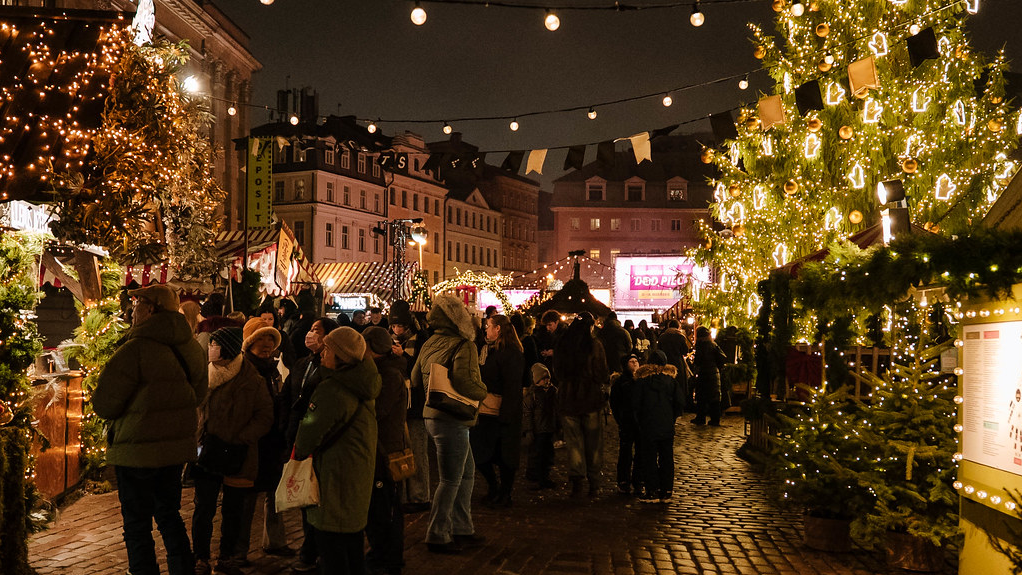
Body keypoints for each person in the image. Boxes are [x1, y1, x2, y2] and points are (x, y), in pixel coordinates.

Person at [92, 284, 208, 575]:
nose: (132, 311)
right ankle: (184, 569)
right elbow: (200, 394)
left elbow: (105, 403)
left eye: (137, 304)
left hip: (136, 452)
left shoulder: (136, 348)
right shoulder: (191, 347)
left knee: (137, 522)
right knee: (169, 514)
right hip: (175, 450)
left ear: (152, 308)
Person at [294, 327, 381, 575]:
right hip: (357, 474)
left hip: (334, 475)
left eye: (328, 349)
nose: (322, 353)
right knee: (352, 545)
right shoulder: (363, 384)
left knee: (331, 547)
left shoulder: (333, 390)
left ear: (341, 356)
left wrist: (301, 442)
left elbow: (308, 436)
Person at [191, 328, 274, 575]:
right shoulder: (203, 375)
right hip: (206, 451)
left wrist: (241, 438)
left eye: (215, 344)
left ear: (226, 348)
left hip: (238, 453)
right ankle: (200, 557)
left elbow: (265, 415)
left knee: (233, 509)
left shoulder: (251, 379)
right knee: (203, 507)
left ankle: (226, 556)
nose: (211, 348)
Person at [410, 294, 488, 554]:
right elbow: (466, 383)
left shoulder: (430, 341)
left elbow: (415, 379)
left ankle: (462, 527)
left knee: (465, 473)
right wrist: (483, 390)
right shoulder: (464, 345)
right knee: (451, 479)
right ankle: (437, 533)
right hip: (453, 417)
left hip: (432, 414)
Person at [279, 317, 339, 574]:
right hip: (295, 432)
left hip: (316, 434)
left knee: (317, 493)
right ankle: (309, 547)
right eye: (311, 330)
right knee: (303, 492)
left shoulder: (331, 368)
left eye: (317, 330)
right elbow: (287, 396)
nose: (311, 334)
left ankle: (316, 550)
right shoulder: (302, 363)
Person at [236, 318, 292, 564]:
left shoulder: (271, 370)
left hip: (272, 440)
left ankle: (275, 541)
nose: (267, 345)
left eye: (270, 340)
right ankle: (239, 550)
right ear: (249, 343)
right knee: (247, 499)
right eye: (261, 340)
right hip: (253, 441)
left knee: (274, 493)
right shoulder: (244, 370)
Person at [362, 327, 408, 575]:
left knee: (385, 506)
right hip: (378, 447)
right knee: (378, 506)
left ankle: (388, 557)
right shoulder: (382, 371)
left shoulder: (389, 375)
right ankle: (382, 553)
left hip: (385, 450)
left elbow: (378, 411)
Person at [552, 312, 609, 498]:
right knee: (593, 441)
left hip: (568, 399)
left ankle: (577, 480)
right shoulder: (594, 345)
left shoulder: (563, 344)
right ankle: (594, 482)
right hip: (590, 398)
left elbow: (558, 372)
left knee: (574, 442)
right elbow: (601, 372)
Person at [471, 314, 525, 508]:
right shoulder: (487, 349)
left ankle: (505, 493)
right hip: (486, 411)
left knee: (505, 457)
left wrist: (506, 414)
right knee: (480, 452)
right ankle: (494, 487)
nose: (486, 329)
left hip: (503, 411)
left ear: (498, 329)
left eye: (489, 326)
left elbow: (512, 386)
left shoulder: (510, 353)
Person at [390, 301, 432, 512]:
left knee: (417, 448)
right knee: (399, 450)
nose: (397, 330)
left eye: (400, 326)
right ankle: (403, 496)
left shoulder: (422, 339)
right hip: (396, 403)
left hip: (416, 403)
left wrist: (403, 356)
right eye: (394, 326)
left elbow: (421, 369)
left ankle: (420, 496)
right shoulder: (388, 340)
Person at [632, 351, 684, 502]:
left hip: (648, 425)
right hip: (666, 425)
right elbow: (679, 402)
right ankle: (666, 489)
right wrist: (672, 417)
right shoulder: (671, 382)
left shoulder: (642, 382)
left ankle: (651, 490)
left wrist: (640, 421)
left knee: (649, 458)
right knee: (666, 457)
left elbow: (636, 404)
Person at [609, 354, 641, 495]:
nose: (635, 363)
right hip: (627, 422)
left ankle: (638, 480)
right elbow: (614, 403)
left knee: (640, 453)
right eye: (631, 361)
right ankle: (623, 481)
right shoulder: (621, 382)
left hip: (640, 423)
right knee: (625, 453)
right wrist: (620, 419)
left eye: (636, 361)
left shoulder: (642, 381)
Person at [522, 363, 557, 489]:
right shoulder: (532, 395)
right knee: (537, 453)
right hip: (538, 429)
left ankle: (544, 474)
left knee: (547, 453)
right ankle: (535, 474)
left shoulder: (553, 392)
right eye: (543, 378)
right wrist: (529, 430)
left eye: (547, 377)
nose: (546, 380)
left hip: (549, 428)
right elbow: (527, 414)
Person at [691, 326, 727, 426]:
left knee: (701, 397)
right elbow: (722, 357)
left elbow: (698, 360)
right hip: (714, 373)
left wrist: (696, 368)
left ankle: (701, 418)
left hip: (704, 373)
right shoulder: (713, 344)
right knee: (714, 398)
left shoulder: (701, 345)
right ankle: (715, 419)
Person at [656, 319, 691, 413]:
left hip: (666, 363)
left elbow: (658, 350)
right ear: (678, 326)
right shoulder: (680, 336)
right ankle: (679, 406)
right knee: (679, 385)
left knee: (667, 385)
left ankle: (667, 405)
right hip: (678, 363)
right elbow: (685, 351)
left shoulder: (662, 337)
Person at [596, 311, 632, 376]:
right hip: (620, 360)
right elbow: (629, 346)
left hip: (606, 360)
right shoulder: (623, 332)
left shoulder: (601, 332)